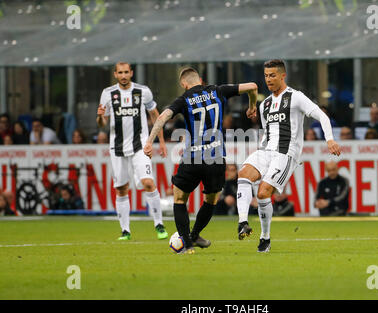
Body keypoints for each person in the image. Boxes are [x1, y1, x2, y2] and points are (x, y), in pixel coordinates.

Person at [144, 67, 258, 254]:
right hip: (216, 159)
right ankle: (195, 234)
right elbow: (253, 86)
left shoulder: (184, 99)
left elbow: (163, 116)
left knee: (179, 198)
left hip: (193, 157)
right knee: (211, 200)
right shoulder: (217, 91)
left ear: (184, 84)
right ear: (201, 80)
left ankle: (188, 245)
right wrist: (252, 106)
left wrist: (149, 141)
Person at [236, 59, 341, 252]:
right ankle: (242, 222)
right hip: (265, 151)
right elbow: (267, 132)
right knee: (243, 174)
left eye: (273, 75)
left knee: (263, 193)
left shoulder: (296, 97)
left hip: (286, 154)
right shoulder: (265, 104)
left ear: (283, 75)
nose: (269, 79)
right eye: (266, 76)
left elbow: (321, 116)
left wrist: (330, 140)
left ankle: (265, 238)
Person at [97, 61, 169, 241]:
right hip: (117, 147)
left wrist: (160, 141)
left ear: (131, 73)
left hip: (140, 145)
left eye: (126, 72)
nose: (123, 76)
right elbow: (102, 124)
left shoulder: (143, 91)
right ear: (115, 74)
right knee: (121, 188)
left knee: (148, 183)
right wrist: (99, 116)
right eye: (120, 73)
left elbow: (155, 116)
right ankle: (125, 231)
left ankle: (159, 225)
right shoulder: (107, 94)